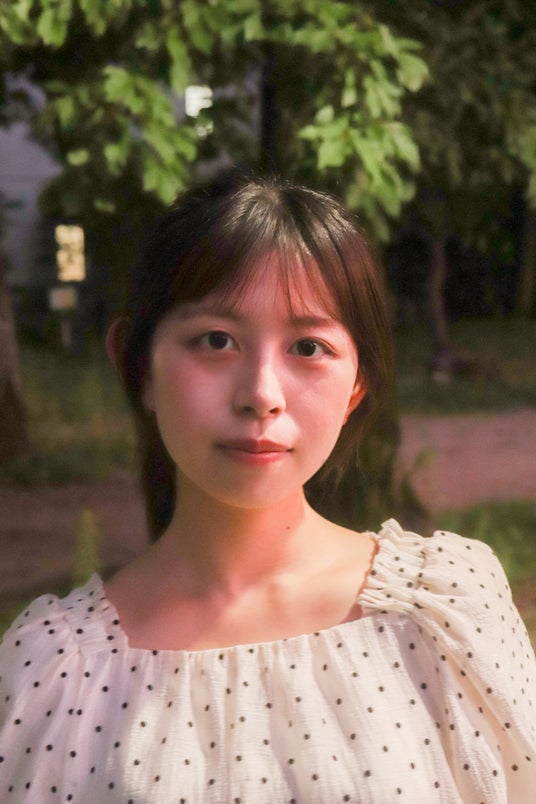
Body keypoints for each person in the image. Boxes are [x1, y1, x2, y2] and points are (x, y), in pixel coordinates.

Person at [1, 174, 535, 803]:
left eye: (308, 347)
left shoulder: (446, 611)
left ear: (356, 386)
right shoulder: (55, 672)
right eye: (216, 341)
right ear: (138, 368)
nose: (261, 394)